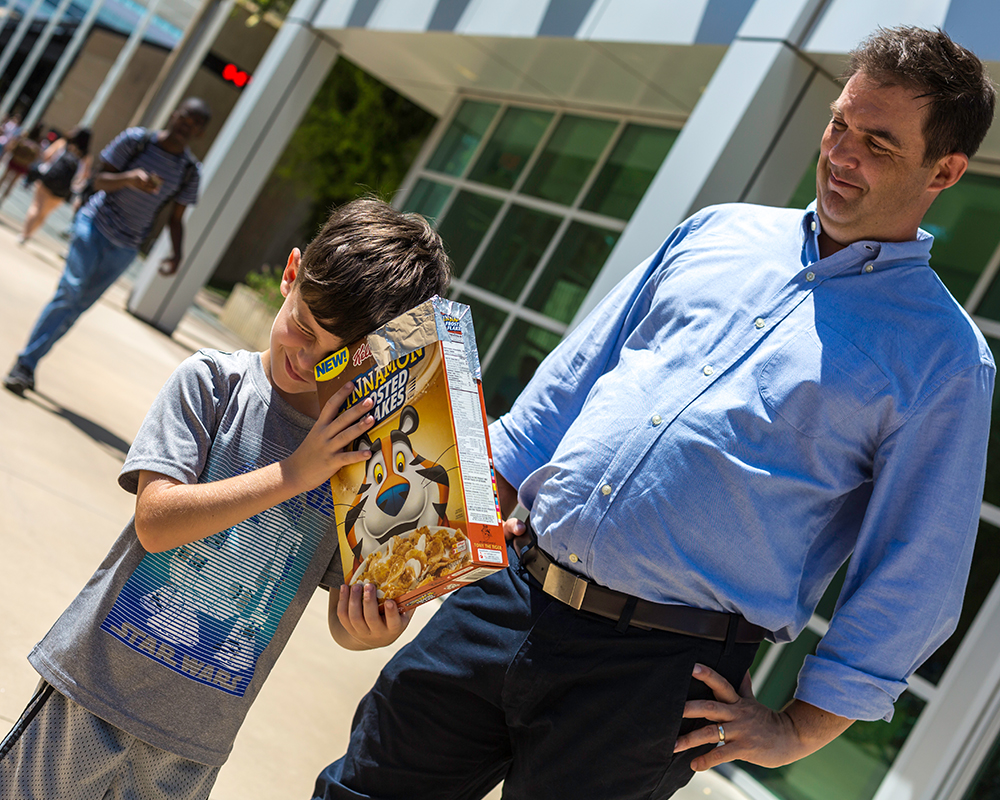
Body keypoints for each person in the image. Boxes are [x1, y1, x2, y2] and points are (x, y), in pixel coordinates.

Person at [311, 26, 996, 800]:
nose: (842, 154)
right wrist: (419, 552)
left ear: (945, 169)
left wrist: (800, 729)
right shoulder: (717, 232)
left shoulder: (944, 359)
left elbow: (917, 572)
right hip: (509, 592)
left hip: (657, 678)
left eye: (879, 142)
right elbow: (561, 393)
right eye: (840, 122)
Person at [0, 197, 453, 799]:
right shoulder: (213, 383)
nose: (307, 358)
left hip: (195, 743)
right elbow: (156, 522)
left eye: (338, 356)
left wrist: (370, 628)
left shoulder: (360, 458)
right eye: (305, 326)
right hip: (92, 694)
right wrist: (294, 473)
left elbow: (343, 611)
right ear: (291, 275)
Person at [2, 98, 211, 397]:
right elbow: (97, 180)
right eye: (184, 118)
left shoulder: (190, 171)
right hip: (94, 226)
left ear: (200, 133)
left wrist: (177, 254)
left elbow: (176, 218)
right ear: (174, 114)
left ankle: (30, 362)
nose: (185, 126)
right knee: (70, 292)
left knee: (77, 307)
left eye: (194, 124)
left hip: (126, 247)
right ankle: (24, 364)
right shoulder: (136, 141)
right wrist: (128, 179)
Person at [17, 126, 91, 244]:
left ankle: (24, 234)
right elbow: (85, 176)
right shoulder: (86, 157)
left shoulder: (62, 143)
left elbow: (46, 155)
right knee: (44, 213)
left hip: (48, 179)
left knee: (36, 206)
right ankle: (29, 235)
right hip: (64, 189)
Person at [0, 122, 43, 206]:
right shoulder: (37, 144)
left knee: (4, 178)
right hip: (23, 165)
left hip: (14, 160)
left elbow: (12, 146)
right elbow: (37, 157)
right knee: (12, 183)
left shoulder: (24, 138)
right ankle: (2, 200)